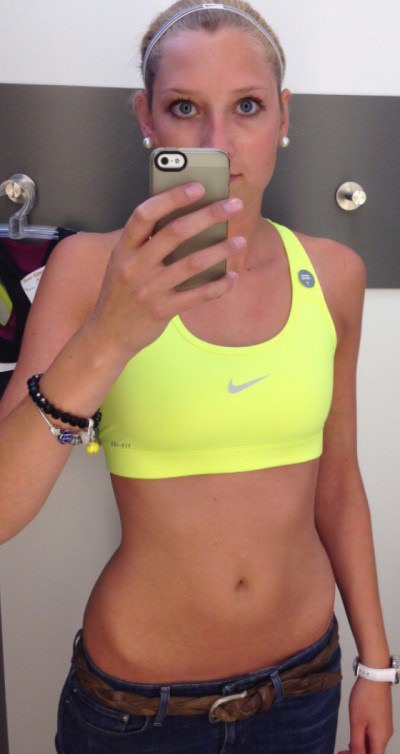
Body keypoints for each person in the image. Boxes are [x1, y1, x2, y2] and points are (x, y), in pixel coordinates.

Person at [0, 1, 395, 752]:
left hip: (303, 689)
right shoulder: (89, 269)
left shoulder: (334, 274)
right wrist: (109, 334)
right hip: (136, 711)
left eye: (247, 106)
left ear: (284, 116)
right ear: (146, 118)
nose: (219, 141)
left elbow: (339, 484)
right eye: (185, 108)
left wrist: (377, 666)